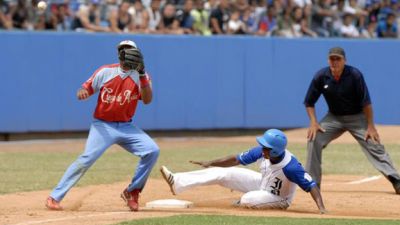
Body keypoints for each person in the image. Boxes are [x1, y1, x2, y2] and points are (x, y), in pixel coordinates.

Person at [45, 40, 160, 212]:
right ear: (119, 53)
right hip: (103, 126)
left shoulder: (141, 75)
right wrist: (82, 93)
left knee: (152, 150)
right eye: (124, 50)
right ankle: (55, 196)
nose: (127, 53)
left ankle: (133, 191)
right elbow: (84, 89)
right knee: (87, 159)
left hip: (126, 126)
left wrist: (142, 74)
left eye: (130, 50)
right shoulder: (106, 71)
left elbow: (148, 100)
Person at [304, 47, 400, 194]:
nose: (335, 62)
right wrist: (313, 122)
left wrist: (371, 126)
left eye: (338, 59)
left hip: (357, 117)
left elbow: (366, 103)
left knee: (373, 142)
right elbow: (309, 102)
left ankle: (395, 180)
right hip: (334, 117)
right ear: (328, 60)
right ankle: (313, 183)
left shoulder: (354, 75)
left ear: (344, 61)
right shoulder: (321, 76)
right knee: (314, 137)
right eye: (332, 59)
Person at [160, 129, 327, 214]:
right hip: (262, 184)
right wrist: (211, 162)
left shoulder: (291, 166)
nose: (262, 148)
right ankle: (178, 182)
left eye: (266, 147)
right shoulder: (262, 151)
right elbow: (235, 159)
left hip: (279, 197)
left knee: (247, 199)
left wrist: (321, 208)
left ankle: (250, 201)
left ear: (275, 151)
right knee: (226, 172)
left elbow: (311, 184)